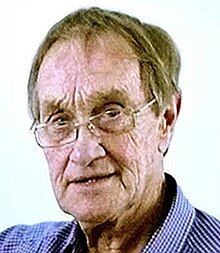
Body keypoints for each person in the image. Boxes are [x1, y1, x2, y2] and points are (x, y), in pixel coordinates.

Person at [0, 6, 220, 253]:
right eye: (60, 120)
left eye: (111, 112)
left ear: (166, 119)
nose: (84, 153)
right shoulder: (13, 247)